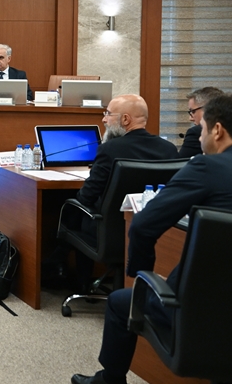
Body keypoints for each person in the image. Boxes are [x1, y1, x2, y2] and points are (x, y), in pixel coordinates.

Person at [70, 92, 232, 384]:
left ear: (217, 130)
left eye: (201, 129)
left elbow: (142, 226)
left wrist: (143, 277)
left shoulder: (207, 167)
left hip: (205, 310)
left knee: (121, 302)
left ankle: (112, 383)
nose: (199, 137)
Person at [56, 94, 179, 288]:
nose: (104, 119)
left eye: (108, 114)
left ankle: (78, 281)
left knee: (72, 209)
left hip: (108, 233)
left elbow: (86, 197)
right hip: (152, 231)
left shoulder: (109, 149)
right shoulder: (169, 149)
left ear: (125, 119)